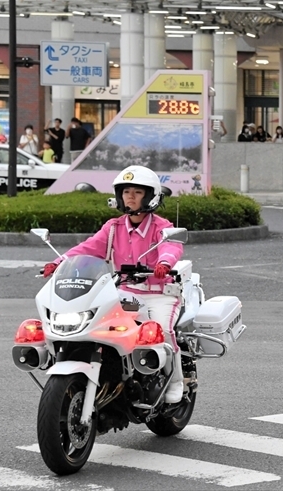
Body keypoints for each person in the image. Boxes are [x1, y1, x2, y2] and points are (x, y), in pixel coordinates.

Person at [41, 166, 186, 403]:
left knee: (163, 332)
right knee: (97, 326)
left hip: (158, 293)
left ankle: (175, 381)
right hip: (123, 292)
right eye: (126, 191)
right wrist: (58, 262)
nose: (130, 196)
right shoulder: (113, 227)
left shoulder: (162, 226)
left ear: (150, 197)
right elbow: (87, 248)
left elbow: (171, 246)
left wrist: (164, 262)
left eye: (137, 192)